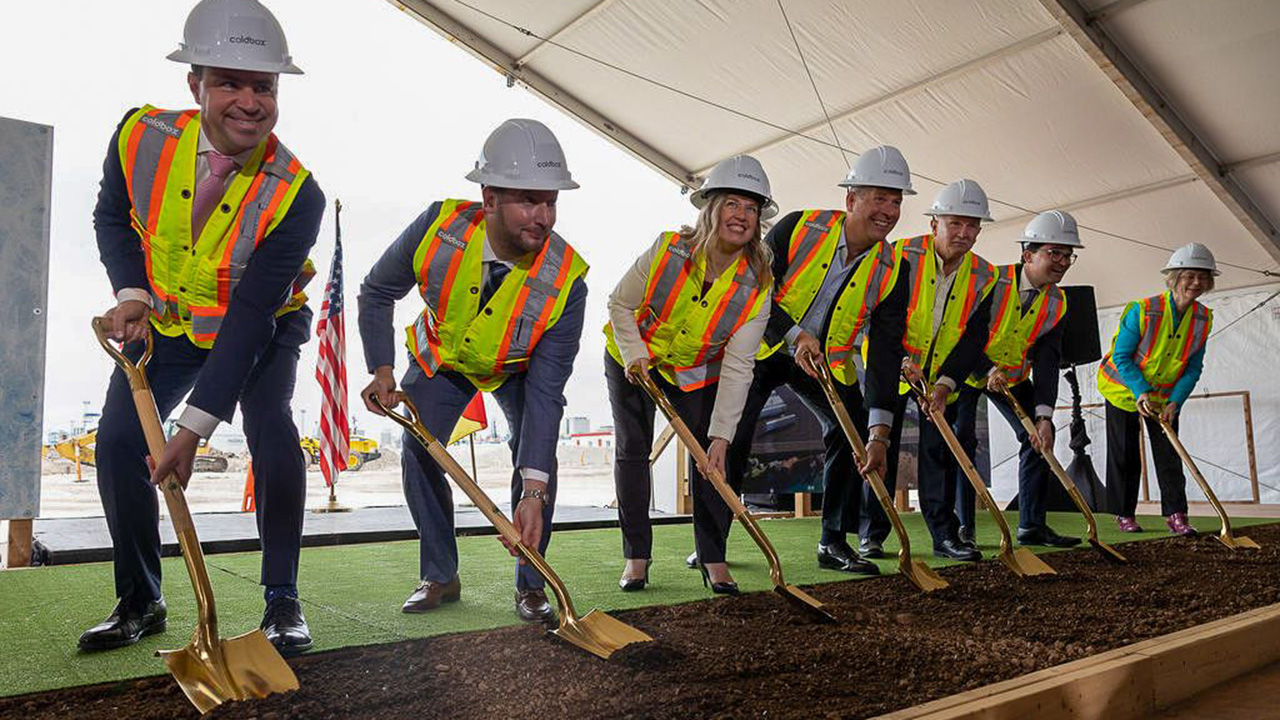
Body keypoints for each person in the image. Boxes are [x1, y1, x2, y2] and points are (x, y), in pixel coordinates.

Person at [82, 0, 322, 656]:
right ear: (195, 85)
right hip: (166, 323)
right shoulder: (139, 136)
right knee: (119, 445)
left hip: (262, 324)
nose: (249, 102)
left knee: (271, 431)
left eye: (263, 86)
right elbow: (112, 215)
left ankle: (282, 602)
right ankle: (140, 599)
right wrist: (131, 293)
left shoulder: (298, 193)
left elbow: (247, 319)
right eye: (228, 82)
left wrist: (192, 432)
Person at [357, 119, 588, 623]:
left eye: (550, 201)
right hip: (444, 359)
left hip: (519, 369)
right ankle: (440, 574)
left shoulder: (567, 280)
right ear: (488, 199)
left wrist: (534, 490)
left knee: (536, 454)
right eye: (529, 200)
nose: (543, 216)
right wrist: (381, 369)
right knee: (419, 449)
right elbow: (377, 292)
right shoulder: (438, 230)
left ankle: (532, 581)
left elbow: (547, 394)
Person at [722, 146, 911, 577]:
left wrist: (879, 431)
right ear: (851, 200)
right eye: (879, 198)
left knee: (852, 431)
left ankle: (834, 542)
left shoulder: (894, 267)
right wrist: (794, 334)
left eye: (896, 201)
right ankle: (715, 538)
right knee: (732, 431)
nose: (888, 210)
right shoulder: (799, 227)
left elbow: (885, 350)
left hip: (824, 363)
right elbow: (754, 287)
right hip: (765, 345)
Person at [606, 156, 775, 595]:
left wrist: (720, 435)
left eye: (751, 208)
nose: (741, 216)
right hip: (632, 358)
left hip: (694, 370)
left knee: (712, 460)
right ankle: (637, 557)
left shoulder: (758, 281)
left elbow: (739, 364)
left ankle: (713, 558)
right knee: (633, 450)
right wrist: (635, 353)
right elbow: (620, 304)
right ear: (711, 208)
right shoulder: (667, 249)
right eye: (733, 204)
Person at [858, 180, 998, 562]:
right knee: (880, 445)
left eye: (972, 227)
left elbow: (973, 338)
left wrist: (946, 383)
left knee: (939, 453)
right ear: (935, 223)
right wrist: (899, 358)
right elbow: (876, 314)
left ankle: (944, 535)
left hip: (938, 379)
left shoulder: (986, 276)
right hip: (890, 365)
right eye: (955, 224)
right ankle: (872, 533)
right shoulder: (898, 255)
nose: (964, 234)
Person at [954, 210, 1083, 548]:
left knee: (1038, 439)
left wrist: (1044, 417)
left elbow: (1046, 361)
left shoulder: (1058, 302)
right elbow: (960, 334)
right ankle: (962, 528)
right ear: (1028, 255)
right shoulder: (990, 282)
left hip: (1011, 378)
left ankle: (1032, 526)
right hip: (967, 373)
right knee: (960, 443)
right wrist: (985, 370)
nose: (1063, 261)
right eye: (1054, 253)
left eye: (1068, 254)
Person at [1098, 242, 1217, 536]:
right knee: (1125, 454)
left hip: (1164, 398)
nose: (1196, 282)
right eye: (1190, 275)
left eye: (1202, 276)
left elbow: (1193, 367)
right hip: (1122, 391)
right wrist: (1141, 391)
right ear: (1175, 277)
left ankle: (1177, 514)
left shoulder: (1203, 318)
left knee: (1169, 454)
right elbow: (1121, 357)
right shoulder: (1143, 310)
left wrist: (1176, 401)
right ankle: (1124, 513)